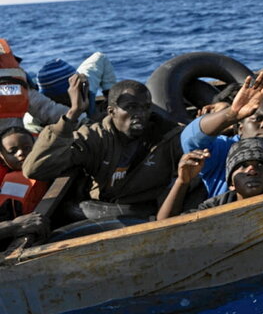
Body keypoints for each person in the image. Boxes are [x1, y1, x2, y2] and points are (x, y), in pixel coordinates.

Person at [23, 78, 184, 219]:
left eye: (146, 107)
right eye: (131, 107)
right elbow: (35, 169)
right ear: (111, 111)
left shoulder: (168, 134)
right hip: (109, 212)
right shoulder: (96, 137)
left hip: (155, 207)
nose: (140, 113)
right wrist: (72, 114)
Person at [157, 137, 263, 220]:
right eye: (242, 166)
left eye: (261, 164)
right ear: (231, 183)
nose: (252, 170)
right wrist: (182, 181)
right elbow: (165, 227)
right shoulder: (216, 206)